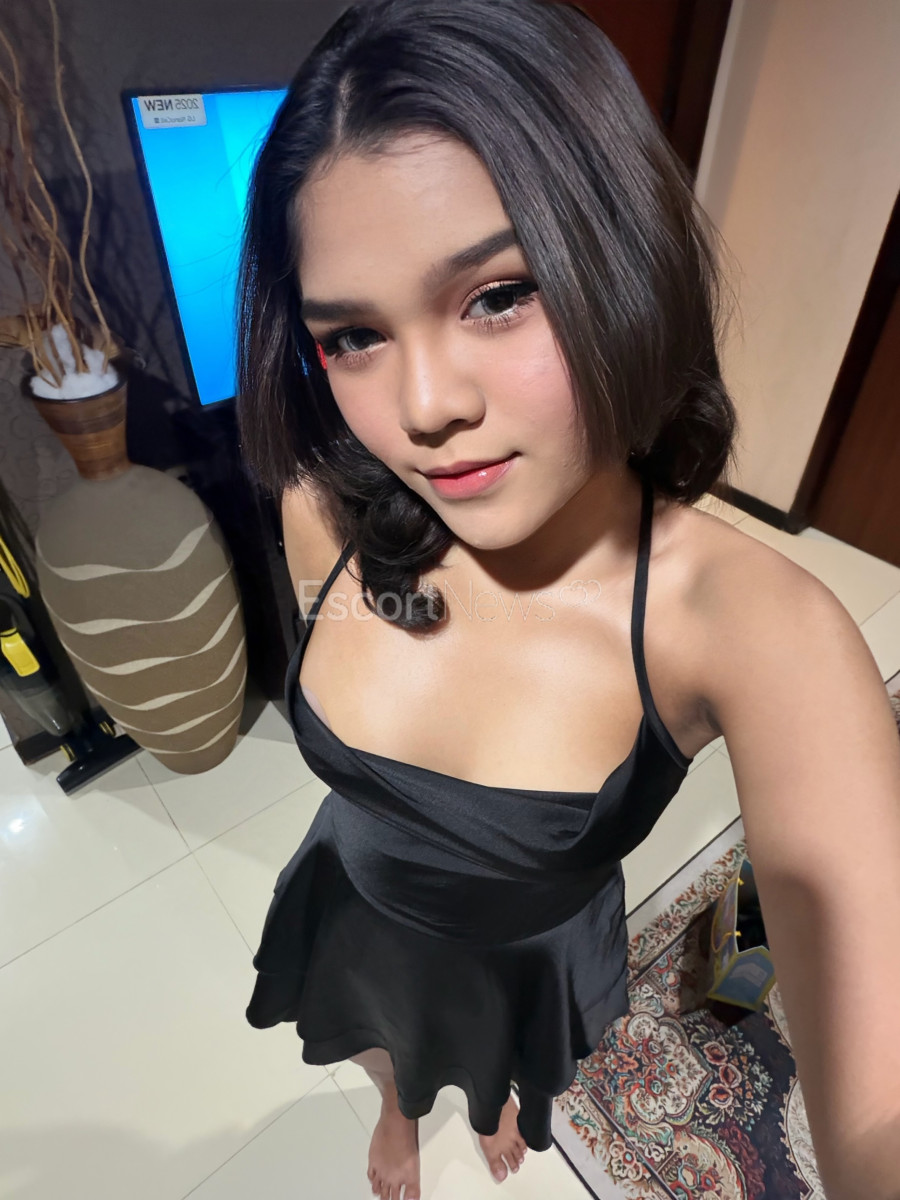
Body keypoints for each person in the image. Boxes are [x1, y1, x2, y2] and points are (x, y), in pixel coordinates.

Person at [237, 2, 900, 1198]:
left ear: (618, 260)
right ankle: (398, 1111)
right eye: (353, 336)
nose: (425, 408)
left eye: (497, 294)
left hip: (527, 952)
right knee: (380, 1035)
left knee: (500, 1065)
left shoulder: (753, 630)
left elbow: (878, 1106)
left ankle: (491, 1096)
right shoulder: (320, 511)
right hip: (358, 900)